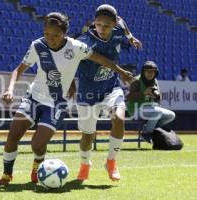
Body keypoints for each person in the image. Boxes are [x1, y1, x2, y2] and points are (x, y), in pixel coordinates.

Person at [0, 12, 133, 186]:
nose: (51, 39)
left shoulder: (76, 47)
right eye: (47, 34)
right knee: (12, 136)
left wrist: (121, 72)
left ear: (65, 34)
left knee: (37, 145)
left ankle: (37, 165)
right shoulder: (37, 46)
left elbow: (101, 60)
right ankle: (7, 175)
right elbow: (17, 70)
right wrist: (9, 89)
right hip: (33, 98)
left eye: (56, 35)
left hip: (56, 104)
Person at [75, 4, 142, 182]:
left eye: (106, 25)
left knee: (119, 118)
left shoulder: (119, 27)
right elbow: (102, 60)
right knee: (88, 135)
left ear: (113, 24)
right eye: (98, 24)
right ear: (94, 22)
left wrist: (130, 37)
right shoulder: (85, 41)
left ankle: (111, 161)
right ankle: (85, 164)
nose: (101, 29)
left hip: (110, 87)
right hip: (87, 92)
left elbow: (123, 22)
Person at [127, 61, 175, 142]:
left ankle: (153, 129)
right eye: (147, 71)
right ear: (143, 72)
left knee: (171, 115)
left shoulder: (155, 81)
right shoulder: (136, 80)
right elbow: (129, 97)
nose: (150, 73)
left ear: (155, 73)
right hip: (136, 110)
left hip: (150, 109)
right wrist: (143, 93)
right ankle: (146, 133)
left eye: (152, 71)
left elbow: (159, 99)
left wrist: (156, 96)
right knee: (157, 112)